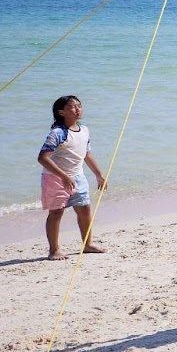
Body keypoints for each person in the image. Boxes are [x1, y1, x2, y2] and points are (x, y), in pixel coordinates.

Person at [37, 95, 108, 259]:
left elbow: (86, 154)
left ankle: (88, 244)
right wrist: (63, 176)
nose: (77, 110)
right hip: (55, 179)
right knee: (56, 213)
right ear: (61, 112)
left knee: (84, 210)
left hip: (78, 177)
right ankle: (54, 250)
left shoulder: (84, 130)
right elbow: (42, 158)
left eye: (79, 106)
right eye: (72, 107)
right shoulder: (57, 133)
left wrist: (99, 175)